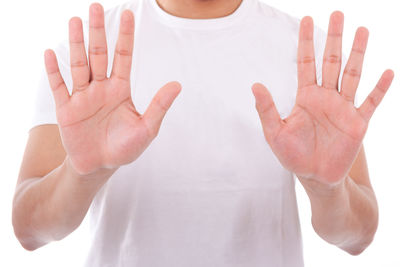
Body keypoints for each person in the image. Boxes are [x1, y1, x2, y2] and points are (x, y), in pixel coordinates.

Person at [12, 0, 394, 266]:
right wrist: (83, 174)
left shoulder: (310, 56)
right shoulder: (88, 56)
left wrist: (327, 189)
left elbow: (358, 238)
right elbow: (28, 230)